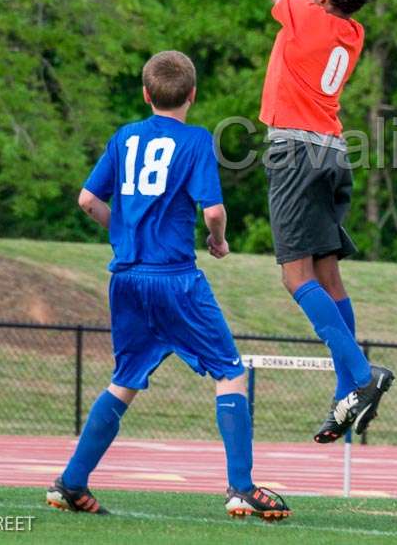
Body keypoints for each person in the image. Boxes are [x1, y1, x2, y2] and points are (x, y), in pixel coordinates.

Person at [46, 50, 289, 520]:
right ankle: (241, 486)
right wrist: (218, 242)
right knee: (229, 370)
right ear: (192, 95)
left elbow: (86, 199)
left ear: (145, 93)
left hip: (127, 278)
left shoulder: (124, 137)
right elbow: (213, 211)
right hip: (175, 278)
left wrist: (121, 229)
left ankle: (71, 482)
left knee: (125, 379)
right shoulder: (196, 141)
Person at [256, 0, 392, 444]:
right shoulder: (351, 31)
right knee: (329, 273)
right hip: (334, 153)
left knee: (296, 277)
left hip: (294, 152)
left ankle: (361, 376)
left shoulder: (305, 15)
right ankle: (347, 394)